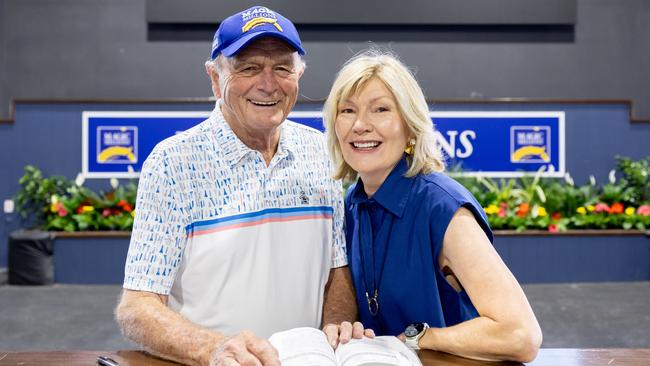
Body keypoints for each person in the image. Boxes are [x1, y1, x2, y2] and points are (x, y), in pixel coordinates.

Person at [115, 6, 369, 366]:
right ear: (215, 78)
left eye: (282, 67)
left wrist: (335, 327)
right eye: (248, 67)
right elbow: (137, 307)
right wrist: (212, 349)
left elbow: (336, 267)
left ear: (299, 75)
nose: (268, 83)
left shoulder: (321, 152)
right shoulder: (174, 163)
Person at [322, 50, 543, 362]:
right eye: (347, 111)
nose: (360, 125)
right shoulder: (354, 205)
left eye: (380, 109)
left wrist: (419, 337)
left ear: (410, 127)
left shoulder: (441, 207)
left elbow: (520, 334)